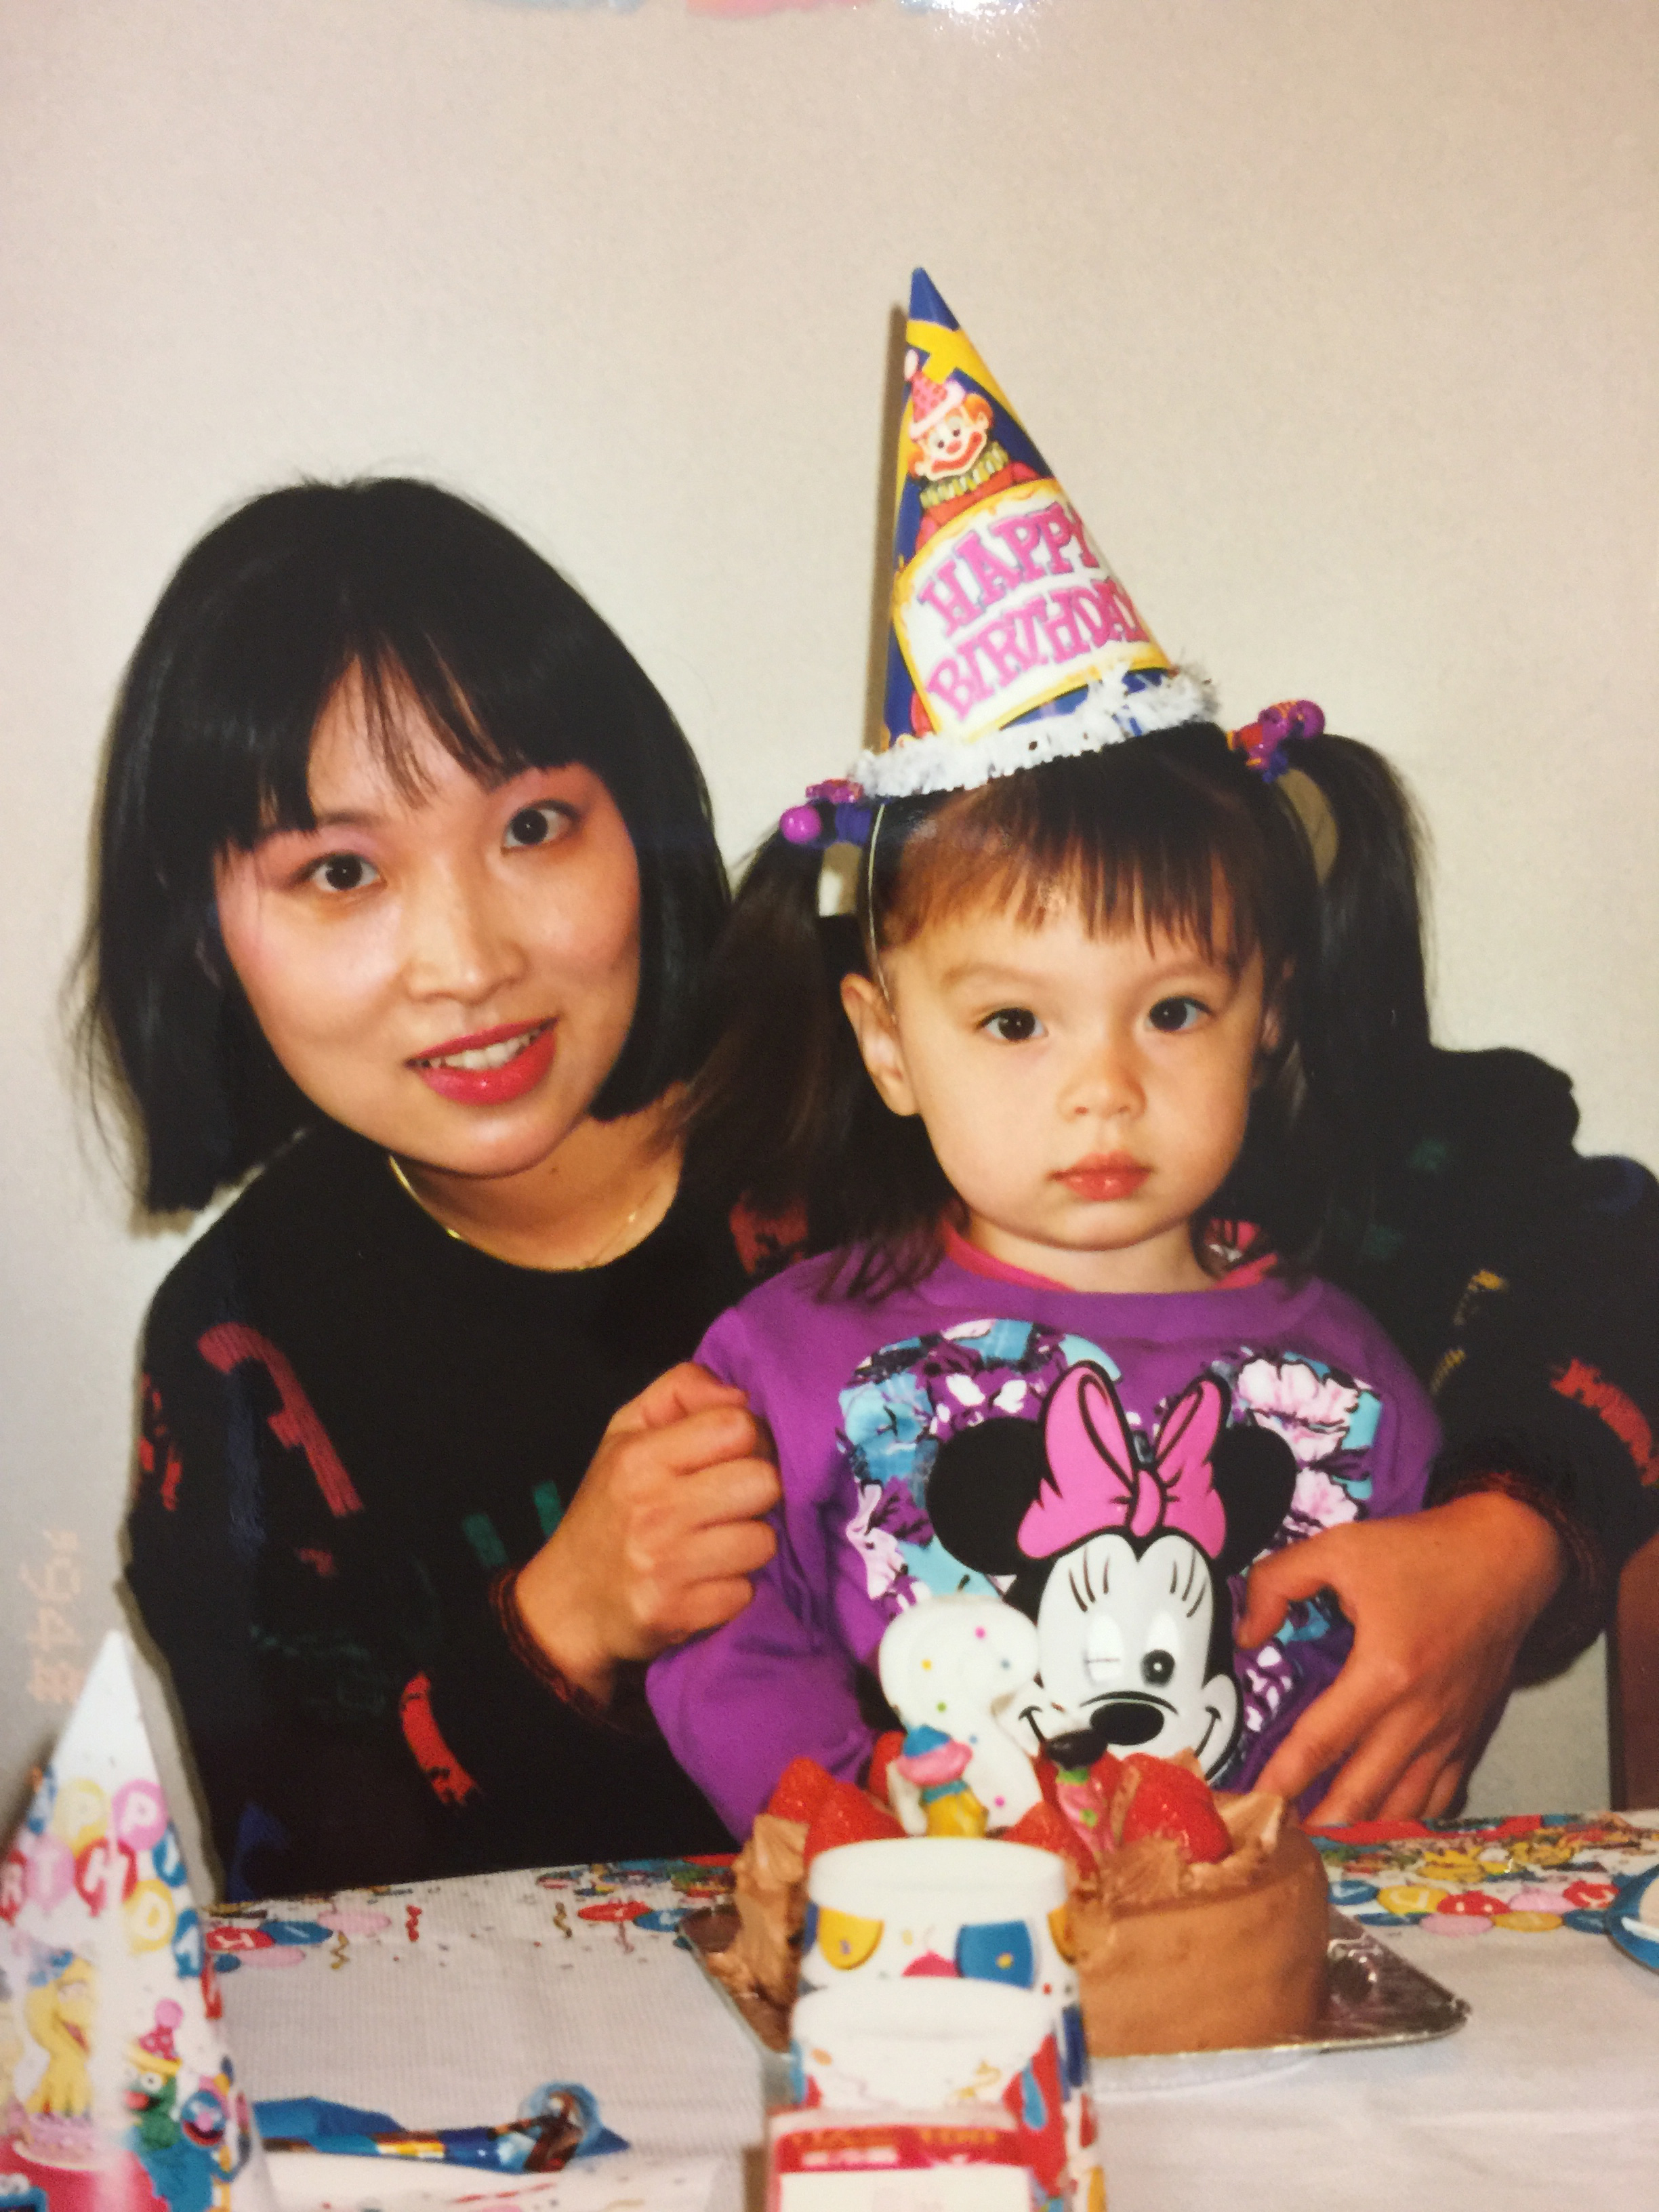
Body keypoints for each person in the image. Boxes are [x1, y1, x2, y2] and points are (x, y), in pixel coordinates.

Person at [89, 477, 783, 1898]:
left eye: (534, 828)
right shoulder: (241, 1353)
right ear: (206, 932)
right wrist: (556, 1623)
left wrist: (1385, 1552)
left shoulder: (892, 1100)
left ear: (636, 826)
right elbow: (301, 1898)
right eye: (341, 869)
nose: (467, 961)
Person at [647, 711, 1452, 1835]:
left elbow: (1401, 1699)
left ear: (1265, 1017)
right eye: (1016, 1021)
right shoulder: (787, 1356)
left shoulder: (1348, 1384)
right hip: (936, 1944)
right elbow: (718, 1642)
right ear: (888, 1045)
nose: (1104, 1088)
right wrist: (861, 1825)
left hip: (1250, 1954)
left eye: (1173, 1012)